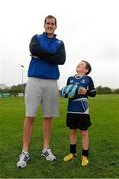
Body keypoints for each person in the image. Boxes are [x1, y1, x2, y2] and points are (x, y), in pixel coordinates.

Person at [17, 15, 66, 168]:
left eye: (53, 24)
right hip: (34, 80)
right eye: (48, 23)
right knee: (30, 115)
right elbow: (34, 49)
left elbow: (61, 59)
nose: (50, 25)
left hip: (51, 81)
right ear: (44, 25)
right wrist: (51, 55)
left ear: (56, 26)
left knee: (48, 117)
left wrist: (41, 55)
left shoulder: (60, 43)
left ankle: (46, 148)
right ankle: (25, 152)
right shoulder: (36, 37)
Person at [63, 60, 96, 166]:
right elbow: (67, 93)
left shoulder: (88, 79)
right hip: (71, 109)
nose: (79, 64)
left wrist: (86, 92)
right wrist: (64, 93)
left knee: (84, 133)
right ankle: (72, 153)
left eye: (82, 64)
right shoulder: (70, 79)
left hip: (83, 111)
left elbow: (93, 93)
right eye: (79, 63)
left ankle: (85, 155)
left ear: (86, 70)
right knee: (72, 131)